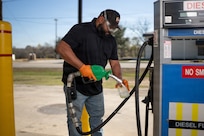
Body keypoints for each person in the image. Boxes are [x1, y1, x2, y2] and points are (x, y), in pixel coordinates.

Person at [56, 9, 129, 136]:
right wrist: (82, 67)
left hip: (96, 87)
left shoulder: (110, 40)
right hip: (75, 85)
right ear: (101, 19)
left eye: (114, 28)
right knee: (75, 122)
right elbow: (62, 48)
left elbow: (115, 62)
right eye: (110, 26)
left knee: (97, 119)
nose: (111, 30)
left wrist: (119, 80)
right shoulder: (80, 30)